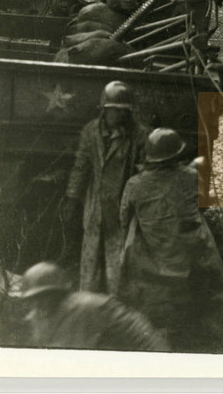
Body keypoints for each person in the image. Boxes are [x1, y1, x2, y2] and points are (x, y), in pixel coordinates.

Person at [118, 128, 223, 343]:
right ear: (176, 155)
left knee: (135, 229)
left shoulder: (134, 184)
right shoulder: (191, 176)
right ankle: (199, 315)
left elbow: (124, 218)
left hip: (155, 253)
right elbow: (204, 204)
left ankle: (153, 315)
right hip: (191, 250)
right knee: (198, 224)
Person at [62, 81, 147, 295]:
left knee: (118, 265)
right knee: (90, 262)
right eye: (116, 111)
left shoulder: (140, 135)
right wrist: (73, 198)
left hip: (123, 209)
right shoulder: (91, 132)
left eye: (125, 111)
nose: (121, 116)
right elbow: (81, 166)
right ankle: (88, 306)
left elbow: (145, 175)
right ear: (105, 111)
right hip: (95, 208)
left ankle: (116, 309)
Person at [13, 261, 168, 351]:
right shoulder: (36, 320)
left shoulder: (92, 306)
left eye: (43, 296)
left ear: (57, 293)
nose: (37, 303)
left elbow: (142, 333)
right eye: (33, 298)